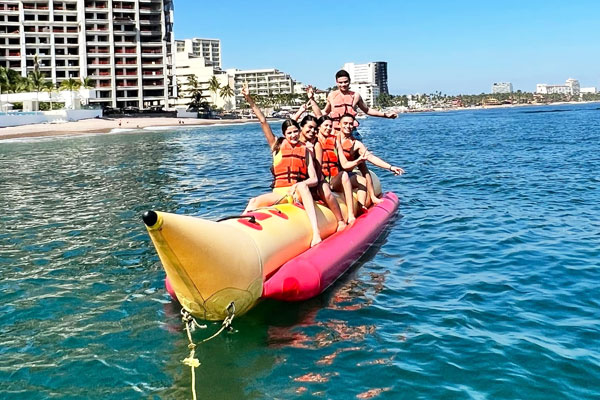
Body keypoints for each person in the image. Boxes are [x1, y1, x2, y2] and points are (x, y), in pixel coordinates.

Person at [241, 83, 323, 247]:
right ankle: (239, 235)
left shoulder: (305, 149)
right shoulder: (276, 146)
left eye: (295, 132)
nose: (293, 135)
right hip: (279, 194)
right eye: (289, 133)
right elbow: (263, 121)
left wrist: (301, 184)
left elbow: (314, 178)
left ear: (299, 132)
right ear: (284, 135)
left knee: (303, 187)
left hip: (296, 193)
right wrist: (249, 99)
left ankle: (316, 233)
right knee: (254, 201)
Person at [336, 113, 404, 210]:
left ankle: (361, 207)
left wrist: (390, 167)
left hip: (345, 176)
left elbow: (371, 157)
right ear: (339, 124)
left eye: (350, 124)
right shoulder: (332, 138)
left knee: (362, 180)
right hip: (333, 177)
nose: (348, 126)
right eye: (345, 123)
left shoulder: (356, 144)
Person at [295, 113, 347, 231]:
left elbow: (318, 169)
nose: (312, 131)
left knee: (327, 193)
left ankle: (340, 220)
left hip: (316, 181)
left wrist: (315, 187)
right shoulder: (295, 142)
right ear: (301, 127)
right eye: (309, 127)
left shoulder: (316, 145)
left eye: (314, 128)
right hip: (300, 182)